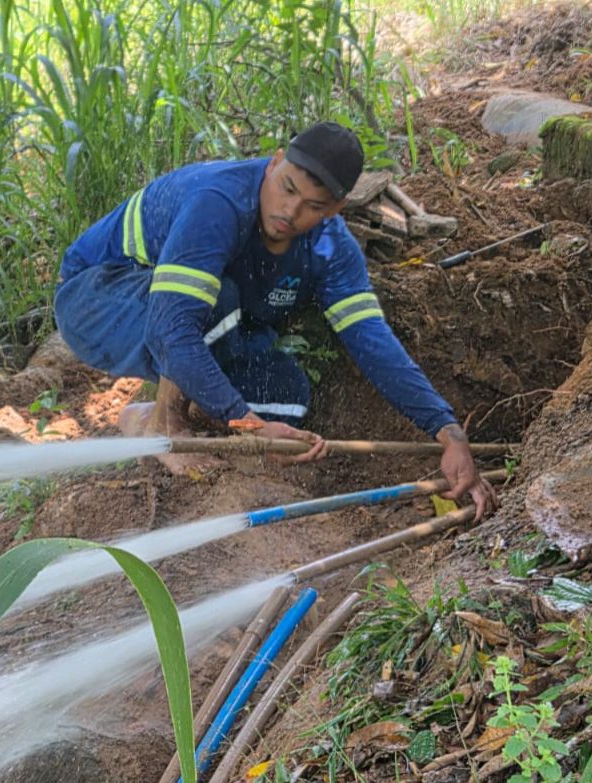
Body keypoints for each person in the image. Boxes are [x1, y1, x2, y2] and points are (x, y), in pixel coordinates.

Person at [53, 121, 498, 519]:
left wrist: (447, 432)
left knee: (285, 396)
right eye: (287, 188)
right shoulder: (217, 201)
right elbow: (171, 330)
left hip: (188, 316)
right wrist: (247, 425)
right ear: (275, 161)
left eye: (312, 205)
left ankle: (145, 418)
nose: (290, 211)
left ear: (335, 208)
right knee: (215, 299)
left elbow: (372, 341)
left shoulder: (332, 247)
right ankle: (168, 425)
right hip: (96, 299)